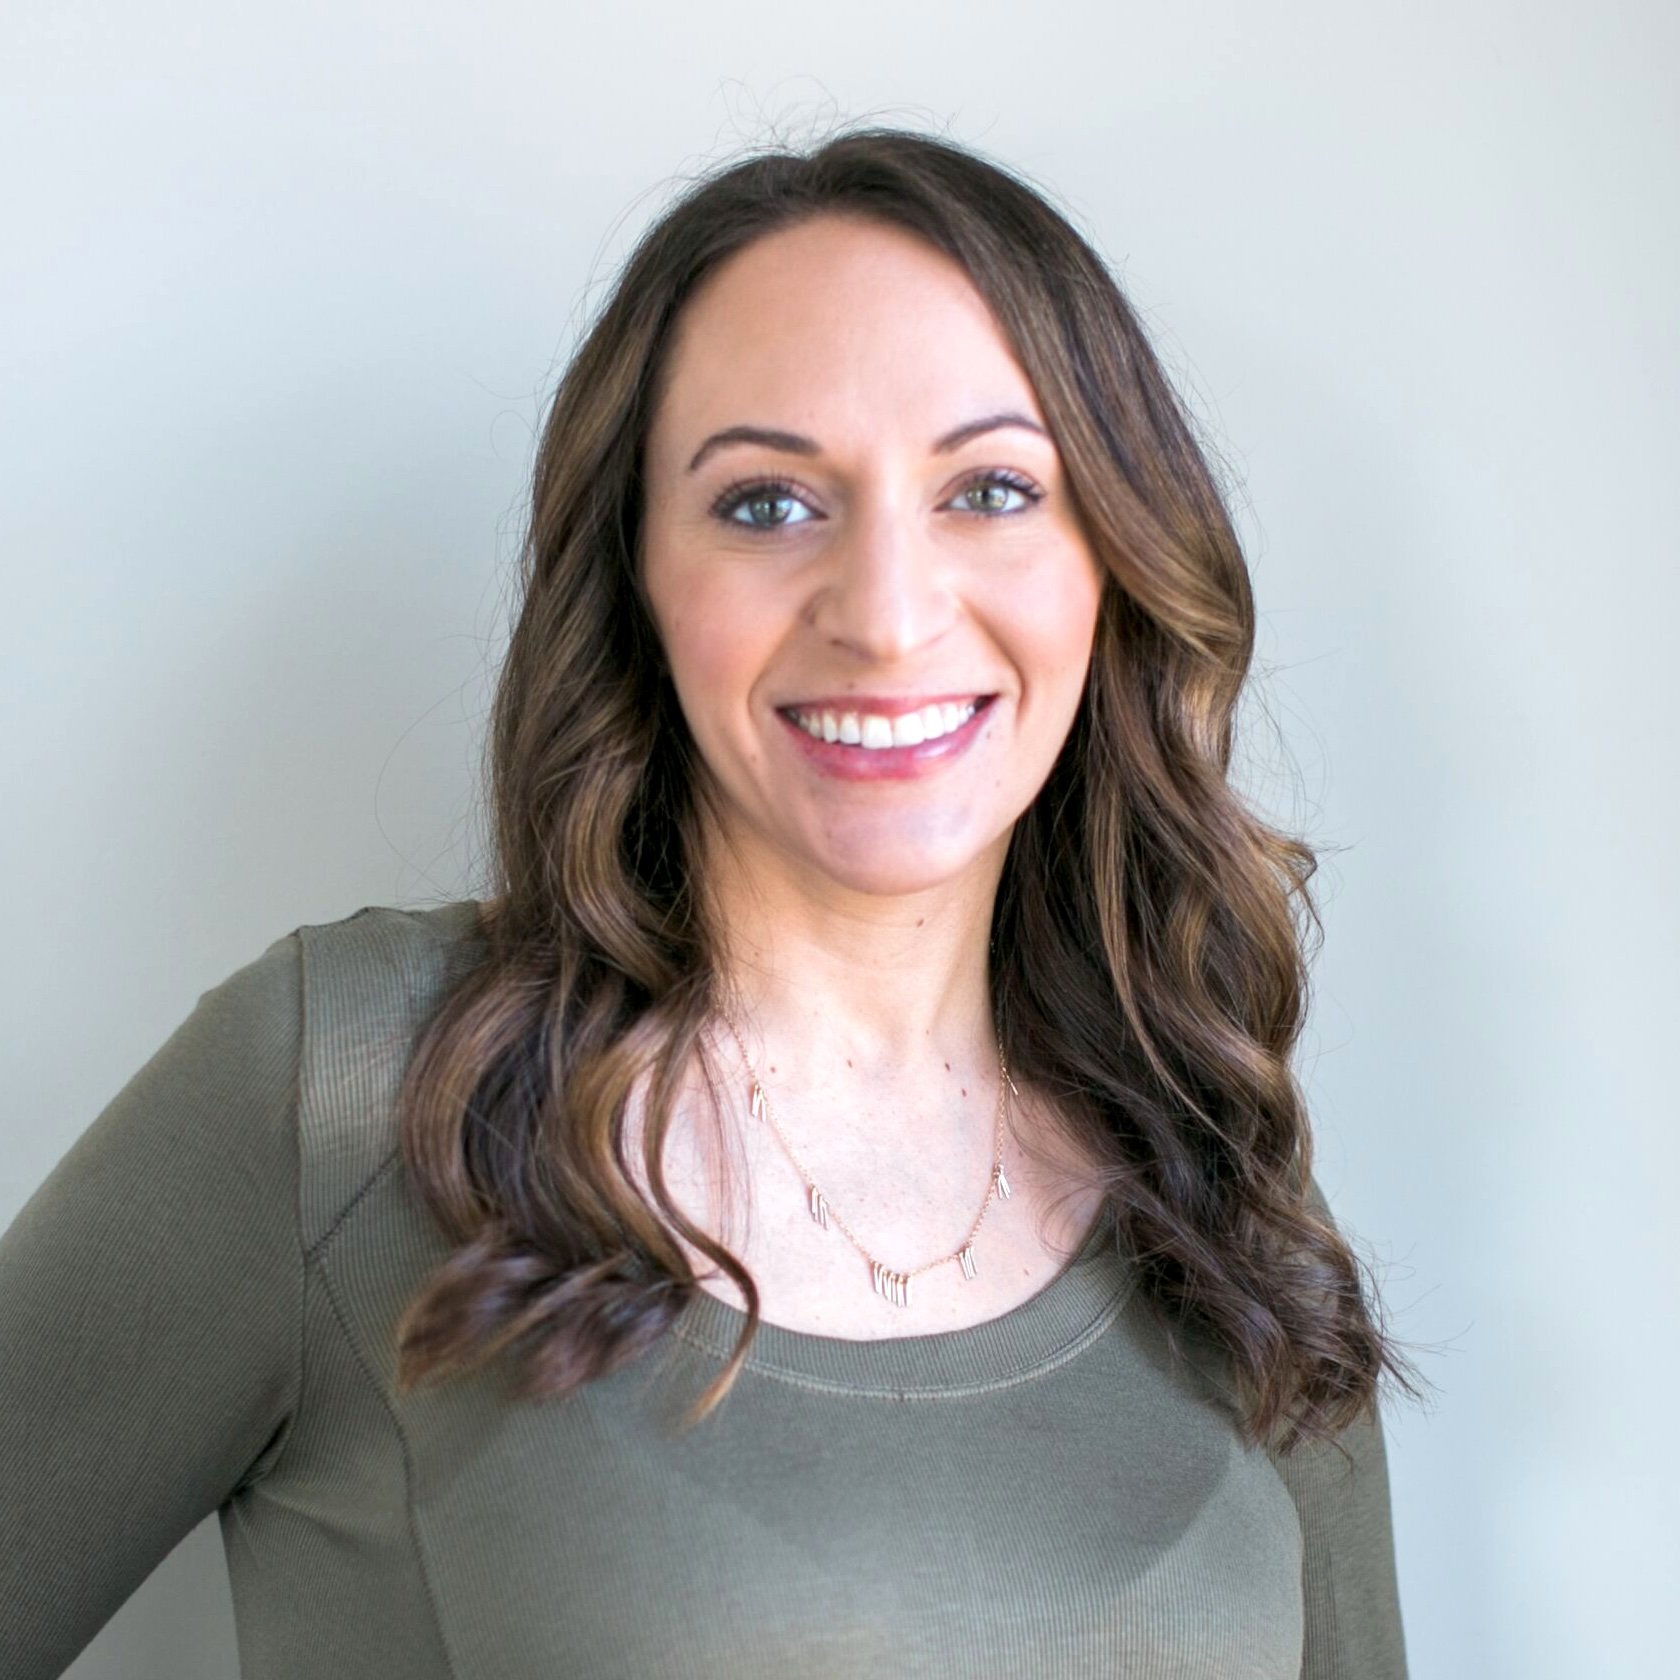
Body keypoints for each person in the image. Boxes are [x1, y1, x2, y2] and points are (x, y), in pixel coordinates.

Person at [0, 127, 1420, 1679]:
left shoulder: (1215, 1174)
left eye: (993, 488)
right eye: (765, 503)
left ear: (1114, 563)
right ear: (635, 574)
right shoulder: (344, 1097)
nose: (886, 615)